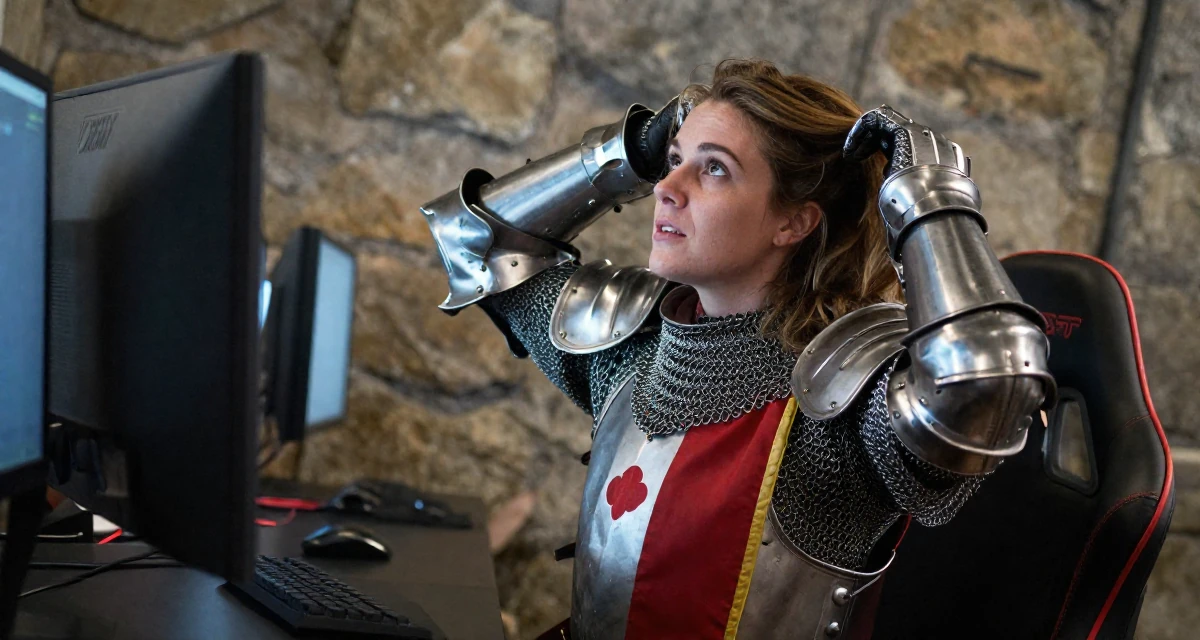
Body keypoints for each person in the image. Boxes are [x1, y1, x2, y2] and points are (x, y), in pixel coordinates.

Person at [420, 59, 1054, 640]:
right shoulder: (634, 346)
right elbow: (474, 242)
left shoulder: (845, 398)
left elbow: (985, 384)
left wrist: (931, 190)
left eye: (714, 168)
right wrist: (628, 151)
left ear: (793, 222)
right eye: (673, 159)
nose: (667, 186)